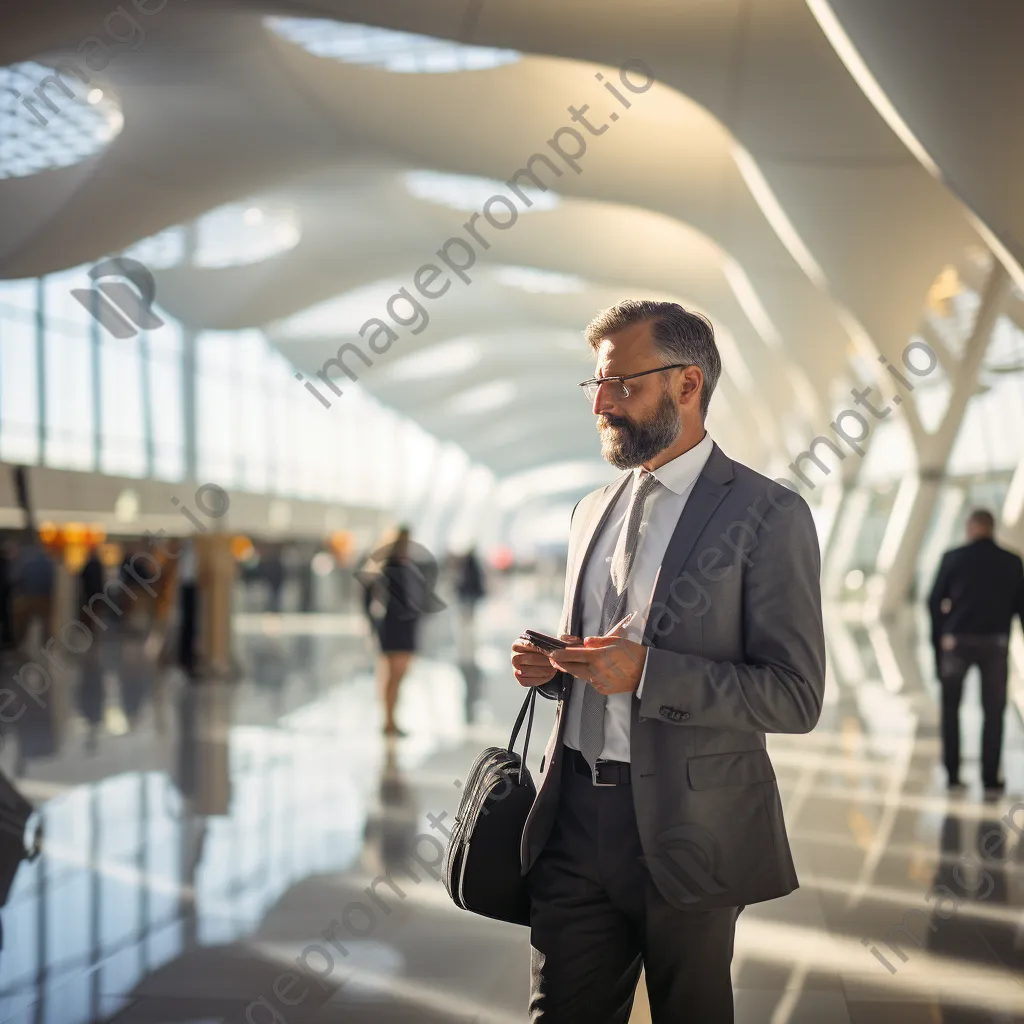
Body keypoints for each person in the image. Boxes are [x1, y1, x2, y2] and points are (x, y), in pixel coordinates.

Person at [510, 300, 826, 1023]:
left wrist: (648, 673)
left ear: (688, 386)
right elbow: (603, 659)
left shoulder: (766, 514)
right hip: (574, 818)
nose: (601, 403)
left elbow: (795, 695)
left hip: (692, 829)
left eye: (623, 384)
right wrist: (558, 670)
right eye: (596, 384)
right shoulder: (591, 509)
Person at [927, 508, 1024, 796]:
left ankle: (953, 775)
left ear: (971, 527)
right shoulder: (1012, 561)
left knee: (951, 709)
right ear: (991, 528)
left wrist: (939, 641)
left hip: (957, 644)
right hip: (994, 644)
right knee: (994, 711)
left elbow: (933, 602)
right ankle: (991, 778)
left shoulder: (953, 558)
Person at [357, 526, 429, 737]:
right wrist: (371, 620)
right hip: (391, 624)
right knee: (390, 673)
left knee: (400, 673)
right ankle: (388, 720)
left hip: (406, 625)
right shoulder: (386, 566)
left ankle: (391, 718)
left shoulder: (409, 566)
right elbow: (367, 593)